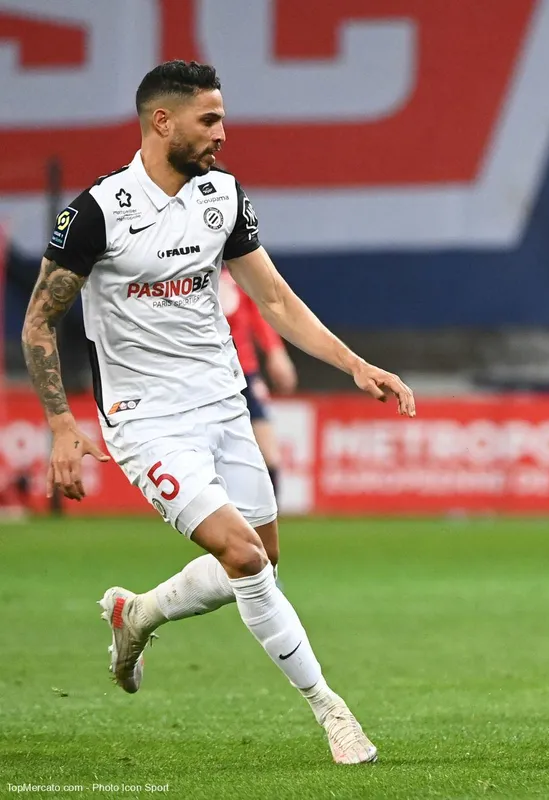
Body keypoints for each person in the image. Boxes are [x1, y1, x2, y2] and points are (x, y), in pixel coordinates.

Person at [20, 60, 415, 763]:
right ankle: (332, 711)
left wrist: (354, 365)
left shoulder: (223, 197)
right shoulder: (97, 212)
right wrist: (60, 424)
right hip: (146, 421)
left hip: (223, 403)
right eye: (209, 120)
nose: (223, 134)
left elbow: (276, 301)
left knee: (262, 559)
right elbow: (38, 323)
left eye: (223, 118)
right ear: (161, 122)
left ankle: (135, 614)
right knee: (243, 555)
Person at [219, 265, 297, 495]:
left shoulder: (237, 269)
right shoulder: (186, 270)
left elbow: (258, 310)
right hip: (205, 377)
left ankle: (269, 525)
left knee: (269, 456)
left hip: (244, 373)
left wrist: (275, 352)